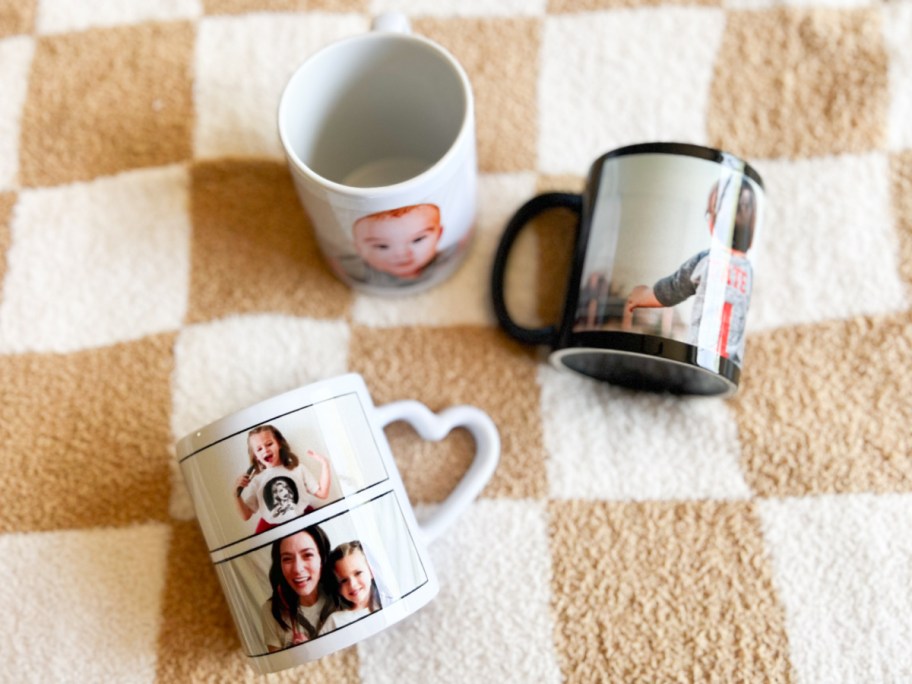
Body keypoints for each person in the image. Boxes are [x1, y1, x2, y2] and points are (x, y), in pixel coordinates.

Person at [624, 178, 757, 365]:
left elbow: (671, 290)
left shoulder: (707, 261)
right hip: (730, 364)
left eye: (709, 214)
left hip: (701, 358)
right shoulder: (748, 271)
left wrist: (640, 296)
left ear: (715, 219)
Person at [234, 425, 332, 533]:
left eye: (269, 444)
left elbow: (322, 493)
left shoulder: (297, 468)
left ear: (279, 444)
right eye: (259, 449)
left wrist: (325, 464)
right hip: (275, 531)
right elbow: (246, 515)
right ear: (256, 456)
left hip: (301, 524)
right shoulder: (257, 481)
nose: (265, 450)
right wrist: (236, 494)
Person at [337, 203, 460, 287]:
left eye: (417, 240)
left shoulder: (447, 255)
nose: (401, 254)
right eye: (382, 246)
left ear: (439, 235)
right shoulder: (358, 269)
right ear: (358, 247)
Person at [260, 526, 336, 652]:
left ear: (322, 559)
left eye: (307, 555)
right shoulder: (271, 610)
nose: (297, 568)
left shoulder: (344, 596)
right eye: (287, 559)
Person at [319, 541, 385, 635]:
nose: (352, 585)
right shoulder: (335, 621)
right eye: (344, 580)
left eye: (358, 573)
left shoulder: (387, 605)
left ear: (371, 571)